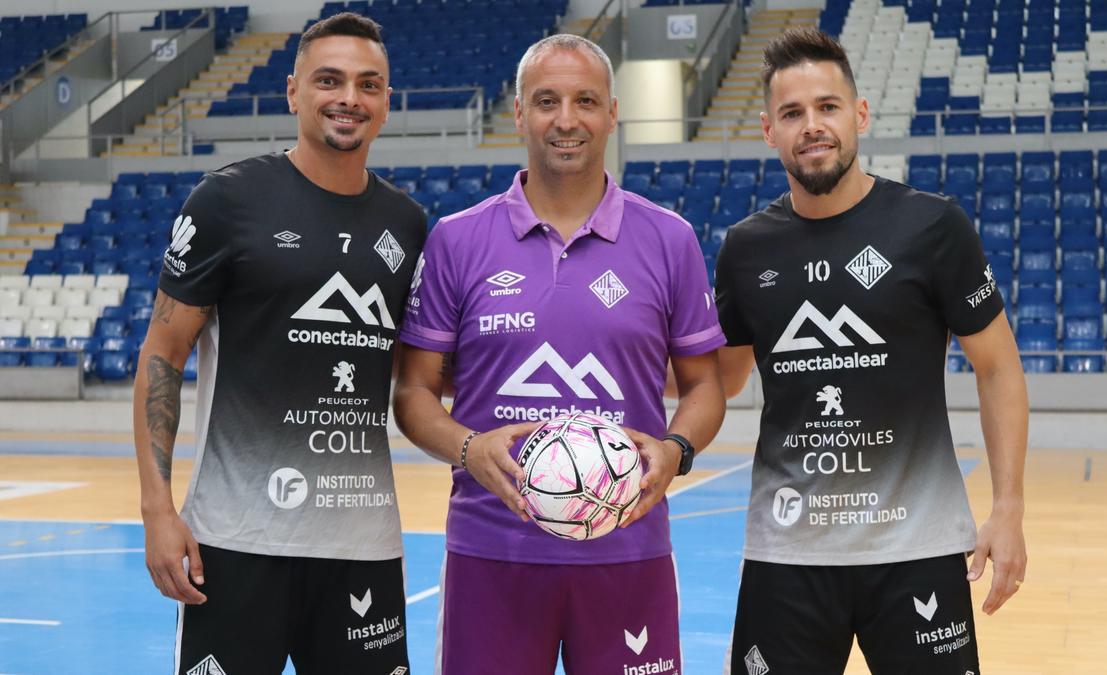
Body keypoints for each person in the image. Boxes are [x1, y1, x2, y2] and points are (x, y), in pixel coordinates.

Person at [393, 34, 726, 675]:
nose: (566, 119)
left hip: (628, 549)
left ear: (611, 113)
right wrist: (469, 448)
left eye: (585, 101)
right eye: (547, 101)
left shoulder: (668, 238)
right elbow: (411, 393)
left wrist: (675, 450)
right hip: (492, 550)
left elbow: (705, 386)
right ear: (519, 113)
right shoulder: (458, 240)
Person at [714, 27, 1029, 674]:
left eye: (827, 107)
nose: (812, 126)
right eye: (793, 113)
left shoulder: (931, 226)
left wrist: (1008, 507)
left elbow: (998, 367)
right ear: (769, 131)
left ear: (858, 114)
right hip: (789, 553)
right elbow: (714, 381)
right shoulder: (746, 250)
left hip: (919, 547)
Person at [133, 13, 426, 675]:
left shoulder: (407, 225)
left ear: (385, 102)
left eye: (367, 83)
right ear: (294, 91)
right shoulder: (227, 201)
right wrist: (156, 508)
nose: (348, 96)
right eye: (329, 80)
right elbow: (162, 355)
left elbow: (419, 381)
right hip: (234, 543)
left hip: (363, 546)